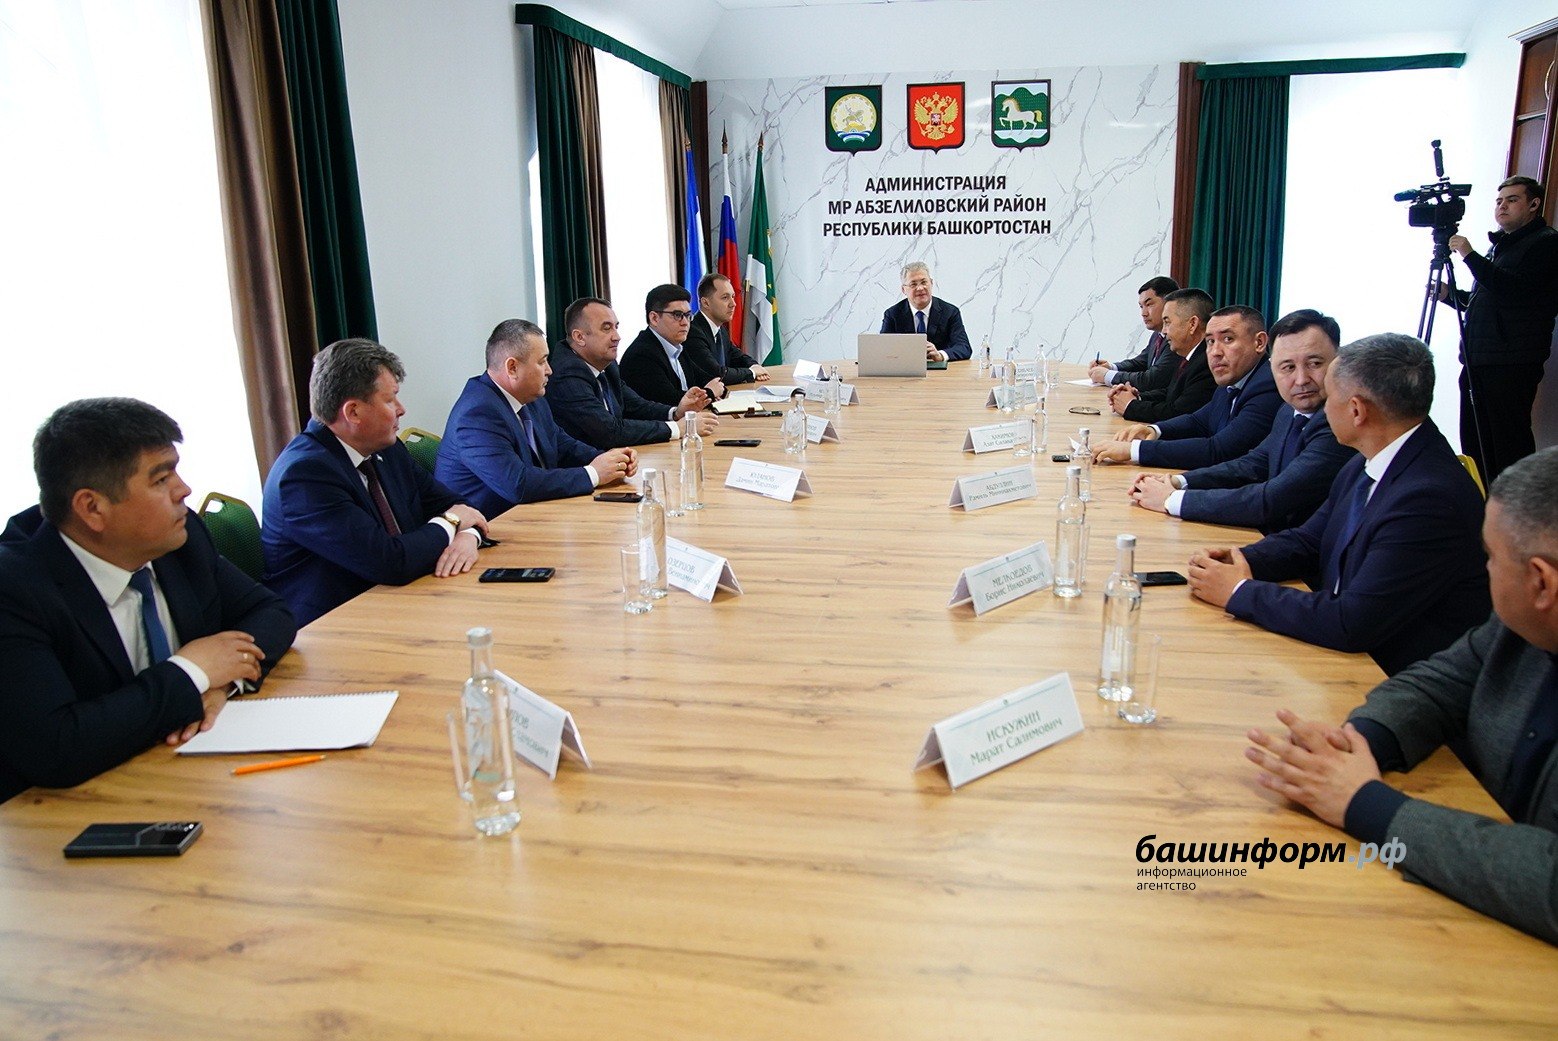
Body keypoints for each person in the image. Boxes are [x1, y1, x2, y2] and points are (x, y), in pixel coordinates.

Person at [1244, 445, 1558, 944]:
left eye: (1491, 557)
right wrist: (1359, 742)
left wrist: (1366, 804)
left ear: (1541, 582)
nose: (1484, 569)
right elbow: (1440, 682)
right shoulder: (1521, 626)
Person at [0, 398, 296, 802]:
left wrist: (221, 682)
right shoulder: (15, 588)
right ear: (92, 508)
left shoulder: (180, 539)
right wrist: (191, 674)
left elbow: (271, 611)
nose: (184, 490)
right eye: (160, 479)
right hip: (70, 811)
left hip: (186, 777)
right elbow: (56, 747)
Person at [1188, 333, 1489, 676]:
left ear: (1357, 410)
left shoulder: (1428, 498)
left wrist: (1239, 591)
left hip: (1393, 676)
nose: (1323, 407)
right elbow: (1309, 540)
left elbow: (1351, 621)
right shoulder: (1369, 459)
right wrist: (1238, 559)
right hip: (1348, 655)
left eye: (1329, 397)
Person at [262, 338, 490, 627]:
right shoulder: (305, 476)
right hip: (334, 627)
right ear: (353, 412)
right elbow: (390, 562)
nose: (401, 409)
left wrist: (468, 537)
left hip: (402, 599)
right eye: (390, 399)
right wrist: (453, 522)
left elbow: (459, 505)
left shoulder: (387, 449)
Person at [1131, 309, 1355, 533]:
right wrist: (1179, 481)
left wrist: (1171, 499)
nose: (1301, 380)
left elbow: (1271, 499)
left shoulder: (1339, 425)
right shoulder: (1288, 410)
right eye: (1288, 367)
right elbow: (1253, 464)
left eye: (1314, 363)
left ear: (1338, 363)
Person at [436, 319, 637, 517]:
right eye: (542, 362)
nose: (550, 370)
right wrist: (593, 474)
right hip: (488, 527)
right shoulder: (477, 414)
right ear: (512, 367)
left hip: (532, 514)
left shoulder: (531, 397)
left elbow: (560, 443)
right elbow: (518, 484)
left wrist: (611, 460)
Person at [1441, 176, 1558, 486]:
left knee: (1508, 446)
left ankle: (1518, 506)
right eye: (1498, 201)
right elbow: (1485, 302)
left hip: (1511, 363)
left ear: (1534, 204)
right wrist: (1449, 296)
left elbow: (1516, 291)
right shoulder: (1501, 248)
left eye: (1512, 200)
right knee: (1475, 443)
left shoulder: (1546, 243)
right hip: (1478, 360)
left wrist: (1470, 256)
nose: (1502, 206)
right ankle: (1483, 503)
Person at [1092, 305, 1277, 469]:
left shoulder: (1268, 387)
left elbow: (1218, 451)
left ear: (1259, 342)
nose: (1215, 352)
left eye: (1228, 339)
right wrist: (1154, 430)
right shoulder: (1234, 376)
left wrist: (1134, 450)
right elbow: (1199, 421)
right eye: (1210, 341)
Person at [549, 297, 718, 449]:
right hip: (586, 465)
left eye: (616, 327)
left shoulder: (607, 363)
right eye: (606, 328)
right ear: (579, 337)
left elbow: (636, 405)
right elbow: (609, 431)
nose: (617, 337)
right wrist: (677, 428)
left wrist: (676, 413)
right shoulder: (566, 374)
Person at [1106, 288, 1216, 422]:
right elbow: (1171, 394)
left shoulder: (1208, 361)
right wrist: (1136, 396)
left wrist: (1131, 406)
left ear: (1192, 324)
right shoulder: (1191, 355)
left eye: (1167, 322)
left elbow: (1179, 413)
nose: (1163, 331)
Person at [619, 284, 728, 408]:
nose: (685, 322)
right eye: (677, 315)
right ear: (654, 318)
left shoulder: (676, 346)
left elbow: (706, 379)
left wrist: (715, 388)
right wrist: (710, 393)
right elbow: (668, 401)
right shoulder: (641, 354)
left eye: (688, 315)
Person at [1088, 276, 1180, 388]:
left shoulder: (1177, 338)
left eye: (1149, 304)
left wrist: (1107, 376)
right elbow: (1140, 363)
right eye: (1141, 306)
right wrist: (1111, 367)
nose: (1143, 313)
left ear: (1169, 304)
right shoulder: (1157, 335)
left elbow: (1153, 379)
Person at [685, 273, 769, 386]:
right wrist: (752, 372)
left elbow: (737, 356)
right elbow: (717, 374)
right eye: (725, 298)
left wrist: (754, 366)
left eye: (733, 297)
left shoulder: (720, 329)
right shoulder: (693, 332)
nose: (733, 304)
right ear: (705, 303)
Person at [879, 261, 972, 362]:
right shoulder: (892, 314)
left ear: (931, 283)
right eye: (913, 284)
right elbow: (883, 349)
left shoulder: (950, 312)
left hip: (942, 370)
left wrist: (940, 355)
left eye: (924, 282)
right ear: (903, 290)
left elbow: (964, 348)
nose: (920, 288)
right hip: (905, 368)